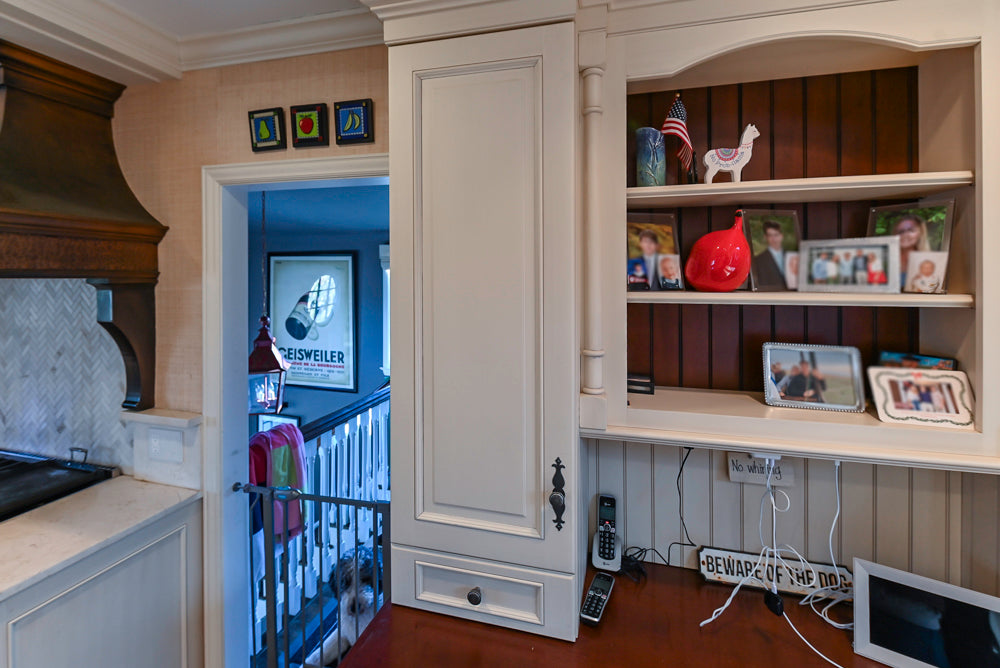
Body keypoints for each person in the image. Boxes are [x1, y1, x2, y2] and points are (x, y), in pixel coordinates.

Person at [894, 213, 931, 285]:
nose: (905, 235)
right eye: (901, 231)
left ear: (921, 233)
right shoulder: (886, 260)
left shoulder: (929, 262)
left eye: (911, 230)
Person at [751, 219, 789, 289]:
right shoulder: (758, 260)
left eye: (776, 235)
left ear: (781, 236)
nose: (773, 239)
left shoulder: (790, 255)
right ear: (766, 237)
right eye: (770, 235)